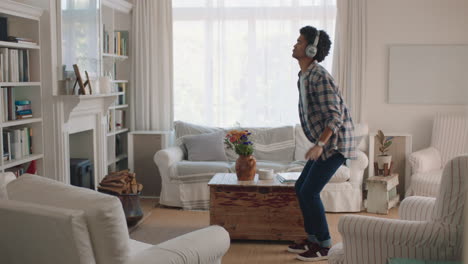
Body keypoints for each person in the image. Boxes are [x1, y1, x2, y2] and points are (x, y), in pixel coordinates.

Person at [288, 26, 356, 261]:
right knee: (301, 188)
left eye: (299, 41)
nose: (294, 44)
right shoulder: (304, 76)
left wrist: (319, 143)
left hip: (335, 145)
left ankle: (325, 245)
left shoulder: (320, 76)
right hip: (325, 144)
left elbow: (335, 117)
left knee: (309, 191)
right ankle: (313, 238)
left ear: (311, 48)